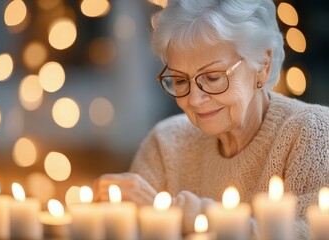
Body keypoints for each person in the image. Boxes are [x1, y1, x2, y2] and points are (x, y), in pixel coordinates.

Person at [93, 0, 329, 239]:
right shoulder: (166, 144)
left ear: (262, 65)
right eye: (180, 80)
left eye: (213, 77)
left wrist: (178, 212)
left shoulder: (312, 133)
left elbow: (308, 234)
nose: (194, 99)